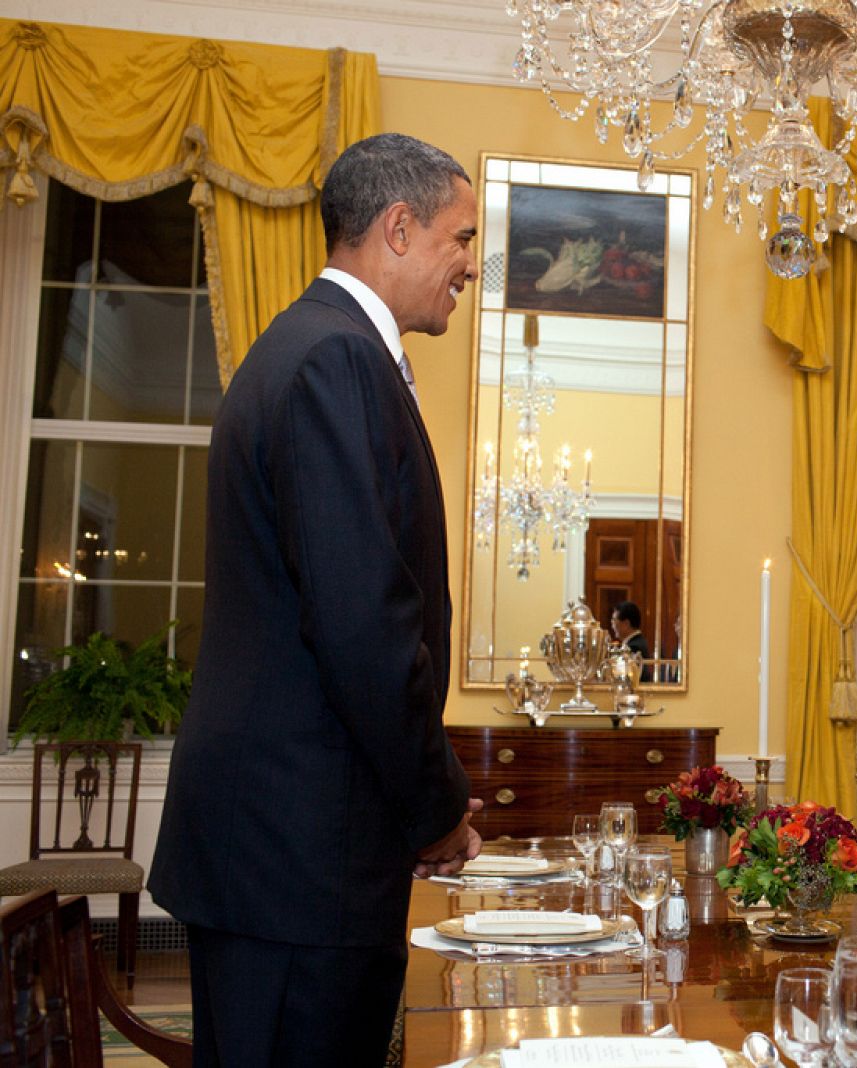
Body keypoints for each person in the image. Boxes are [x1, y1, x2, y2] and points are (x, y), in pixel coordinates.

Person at [150, 133, 483, 1065]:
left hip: (286, 852)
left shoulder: (309, 348)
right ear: (400, 227)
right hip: (299, 859)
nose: (470, 264)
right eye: (461, 239)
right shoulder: (336, 360)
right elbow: (365, 630)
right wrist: (438, 809)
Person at [611, 600, 652, 683]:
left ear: (626, 624)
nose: (612, 624)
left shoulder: (634, 647)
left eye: (614, 620)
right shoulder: (637, 642)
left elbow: (623, 677)